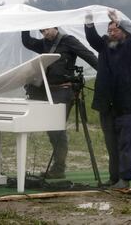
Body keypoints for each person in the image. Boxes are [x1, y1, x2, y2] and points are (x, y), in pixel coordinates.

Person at [21, 27, 98, 179]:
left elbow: (88, 56)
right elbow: (27, 42)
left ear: (55, 26)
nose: (45, 34)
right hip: (47, 91)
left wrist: (105, 72)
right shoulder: (43, 43)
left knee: (57, 128)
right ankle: (58, 166)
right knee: (51, 129)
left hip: (64, 90)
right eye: (42, 31)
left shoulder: (68, 41)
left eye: (47, 30)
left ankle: (59, 167)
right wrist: (26, 25)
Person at [84, 10, 131, 189]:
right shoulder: (105, 46)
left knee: (126, 143)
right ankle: (114, 177)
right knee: (111, 144)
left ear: (123, 32)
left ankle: (125, 180)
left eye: (115, 29)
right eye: (109, 30)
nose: (111, 32)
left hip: (126, 104)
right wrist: (89, 22)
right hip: (106, 104)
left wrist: (118, 20)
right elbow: (93, 38)